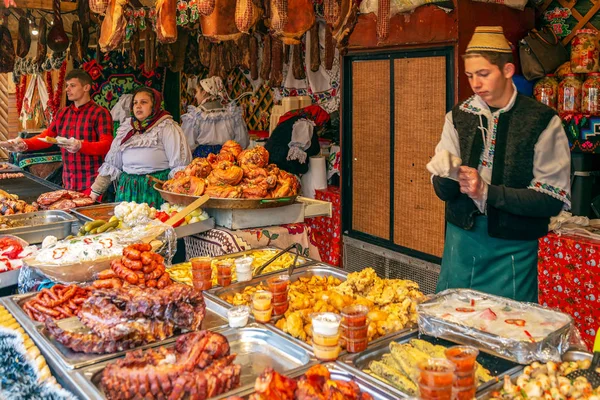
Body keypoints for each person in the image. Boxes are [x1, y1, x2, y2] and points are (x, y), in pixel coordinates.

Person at [428, 26, 571, 303]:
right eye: (470, 76)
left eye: (483, 74)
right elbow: (444, 193)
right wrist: (446, 175)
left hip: (513, 252)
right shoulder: (459, 116)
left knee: (509, 336)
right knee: (451, 335)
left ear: (507, 70)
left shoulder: (541, 121)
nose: (476, 84)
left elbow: (550, 199)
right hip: (461, 245)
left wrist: (487, 192)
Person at [0, 69, 113, 193]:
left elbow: (107, 146)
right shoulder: (63, 113)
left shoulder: (100, 113)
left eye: (73, 86)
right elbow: (47, 137)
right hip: (68, 182)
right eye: (67, 86)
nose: (67, 89)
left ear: (86, 87)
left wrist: (81, 145)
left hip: (92, 183)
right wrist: (23, 143)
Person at [89, 87, 192, 207]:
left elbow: (179, 166)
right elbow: (112, 164)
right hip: (127, 190)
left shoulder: (166, 127)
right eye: (135, 103)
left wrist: (178, 197)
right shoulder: (126, 128)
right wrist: (94, 193)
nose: (138, 106)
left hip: (155, 189)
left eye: (143, 102)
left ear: (154, 105)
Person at [181, 76, 249, 157]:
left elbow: (186, 145)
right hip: (227, 161)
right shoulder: (231, 114)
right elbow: (243, 142)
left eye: (197, 91)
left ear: (204, 92)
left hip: (202, 163)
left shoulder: (195, 116)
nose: (195, 96)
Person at [265, 104, 330, 175]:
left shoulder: (293, 120)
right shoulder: (305, 125)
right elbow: (296, 154)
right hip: (280, 165)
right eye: (323, 126)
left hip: (271, 160)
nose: (322, 130)